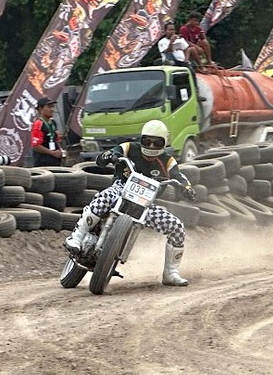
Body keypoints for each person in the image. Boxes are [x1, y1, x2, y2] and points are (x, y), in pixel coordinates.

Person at [64, 120, 197, 286]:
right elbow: (104, 157)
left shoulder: (167, 161)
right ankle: (76, 237)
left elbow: (179, 176)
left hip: (145, 204)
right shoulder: (129, 147)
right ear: (141, 139)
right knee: (103, 198)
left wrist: (186, 188)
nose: (151, 145)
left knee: (176, 226)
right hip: (120, 190)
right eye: (147, 141)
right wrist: (110, 156)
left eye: (157, 142)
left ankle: (170, 273)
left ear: (164, 143)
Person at [31, 97, 64, 167]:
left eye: (53, 107)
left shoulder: (53, 123)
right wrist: (52, 153)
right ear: (40, 109)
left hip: (55, 161)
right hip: (43, 163)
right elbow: (36, 146)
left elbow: (56, 140)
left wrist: (61, 151)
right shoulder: (38, 124)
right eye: (49, 107)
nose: (52, 109)